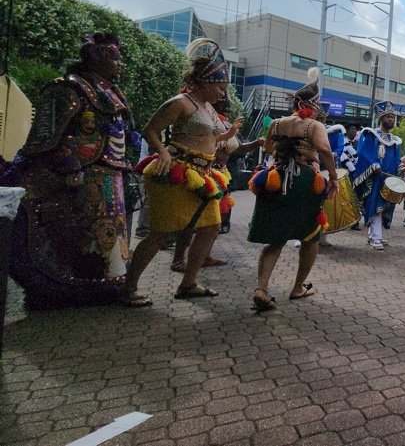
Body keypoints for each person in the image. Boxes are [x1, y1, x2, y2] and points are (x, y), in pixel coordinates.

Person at [1, 33, 138, 308]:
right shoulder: (67, 89)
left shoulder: (110, 90)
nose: (120, 64)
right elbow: (45, 137)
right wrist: (69, 164)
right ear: (97, 58)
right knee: (84, 232)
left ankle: (107, 285)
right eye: (115, 57)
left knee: (110, 231)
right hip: (81, 174)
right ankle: (73, 288)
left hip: (110, 173)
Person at [125, 38, 238, 305]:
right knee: (159, 234)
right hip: (174, 173)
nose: (223, 94)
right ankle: (128, 288)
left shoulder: (208, 108)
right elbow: (150, 129)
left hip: (202, 175)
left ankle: (188, 284)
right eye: (221, 88)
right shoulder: (181, 102)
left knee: (211, 227)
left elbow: (209, 139)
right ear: (207, 83)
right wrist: (162, 151)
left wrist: (227, 136)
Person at [247, 69, 338, 311]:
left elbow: (267, 148)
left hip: (275, 179)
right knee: (310, 237)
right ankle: (298, 288)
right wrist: (334, 178)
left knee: (276, 239)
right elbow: (326, 151)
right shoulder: (314, 126)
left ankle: (261, 288)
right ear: (314, 106)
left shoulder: (277, 123)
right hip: (304, 181)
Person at [169, 97, 263, 271]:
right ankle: (178, 259)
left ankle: (203, 256)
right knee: (192, 219)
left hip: (220, 174)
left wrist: (257, 143)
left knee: (213, 221)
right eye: (222, 106)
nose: (225, 109)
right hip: (200, 172)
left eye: (226, 107)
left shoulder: (225, 125)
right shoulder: (203, 122)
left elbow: (238, 148)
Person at [352, 102, 403, 250]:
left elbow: (396, 158)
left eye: (392, 117)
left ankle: (374, 235)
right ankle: (376, 237)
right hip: (375, 178)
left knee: (386, 207)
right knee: (376, 206)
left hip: (389, 179)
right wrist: (374, 165)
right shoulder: (371, 134)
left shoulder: (394, 139)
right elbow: (363, 153)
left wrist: (400, 167)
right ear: (381, 118)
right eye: (388, 116)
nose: (391, 119)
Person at [345, 123, 362, 230]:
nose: (353, 131)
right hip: (343, 172)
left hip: (355, 174)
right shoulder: (342, 142)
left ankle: (354, 222)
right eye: (351, 129)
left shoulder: (357, 144)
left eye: (355, 130)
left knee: (354, 197)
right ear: (346, 131)